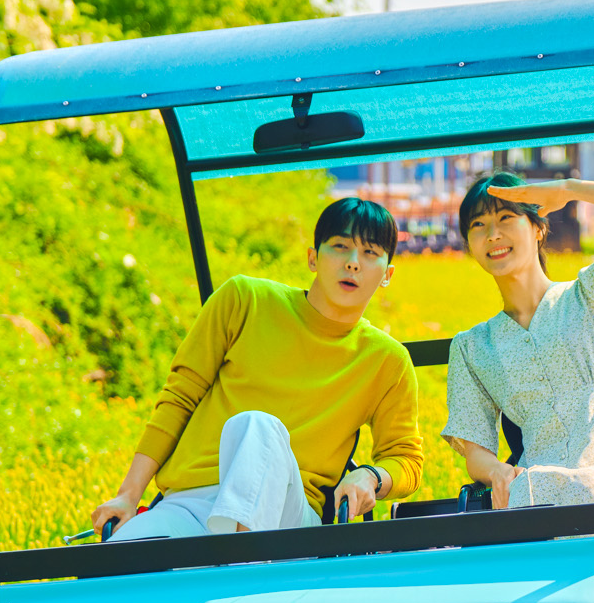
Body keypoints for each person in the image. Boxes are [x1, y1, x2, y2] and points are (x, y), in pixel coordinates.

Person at [88, 198, 422, 541]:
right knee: (117, 565)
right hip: (189, 504)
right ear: (312, 258)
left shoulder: (387, 360)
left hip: (288, 517)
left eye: (370, 253)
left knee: (256, 425)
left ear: (387, 274)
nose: (353, 263)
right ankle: (231, 565)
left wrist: (370, 476)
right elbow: (179, 397)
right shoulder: (244, 300)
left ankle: (238, 565)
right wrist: (129, 496)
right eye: (340, 247)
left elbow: (405, 458)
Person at [442, 171, 594, 553]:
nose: (493, 234)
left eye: (506, 218)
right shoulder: (472, 348)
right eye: (479, 225)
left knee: (588, 494)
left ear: (539, 228)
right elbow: (476, 449)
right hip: (542, 482)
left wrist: (569, 190)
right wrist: (499, 474)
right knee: (531, 506)